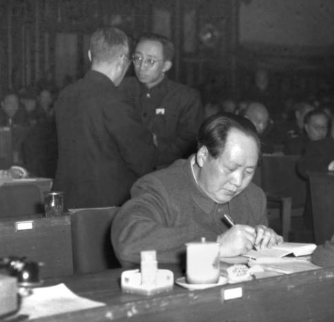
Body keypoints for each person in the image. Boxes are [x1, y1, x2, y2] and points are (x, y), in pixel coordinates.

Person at [112, 113, 282, 266]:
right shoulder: (159, 188)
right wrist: (215, 245)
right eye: (230, 169)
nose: (238, 182)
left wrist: (263, 240)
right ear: (203, 156)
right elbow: (128, 243)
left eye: (248, 171)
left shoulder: (253, 197)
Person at [54, 27, 158, 209]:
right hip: (105, 206)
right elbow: (142, 158)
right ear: (122, 59)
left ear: (89, 55)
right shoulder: (115, 99)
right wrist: (151, 142)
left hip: (67, 198)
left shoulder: (66, 94)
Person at [120, 33, 203, 168]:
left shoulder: (185, 97)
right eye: (137, 58)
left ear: (166, 66)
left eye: (150, 61)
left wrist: (154, 145)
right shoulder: (121, 89)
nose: (141, 66)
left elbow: (189, 143)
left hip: (164, 171)